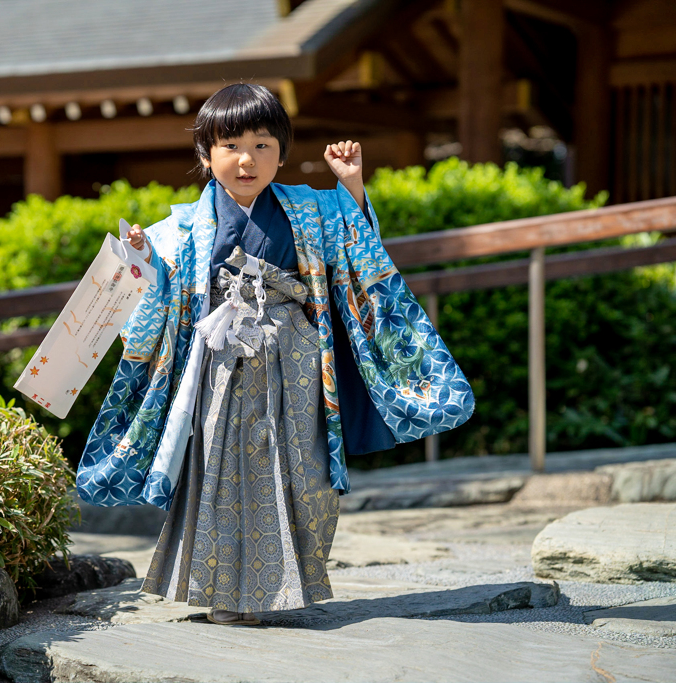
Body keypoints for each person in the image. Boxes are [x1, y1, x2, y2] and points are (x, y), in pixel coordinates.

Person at [77, 83, 474, 626]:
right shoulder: (179, 228)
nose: (248, 159)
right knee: (215, 470)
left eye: (264, 145)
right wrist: (145, 259)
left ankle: (277, 592)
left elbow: (358, 248)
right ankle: (221, 595)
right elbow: (158, 299)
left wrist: (352, 184)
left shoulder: (311, 207)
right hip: (217, 363)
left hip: (300, 359)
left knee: (301, 470)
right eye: (231, 145)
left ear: (282, 154)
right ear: (205, 154)